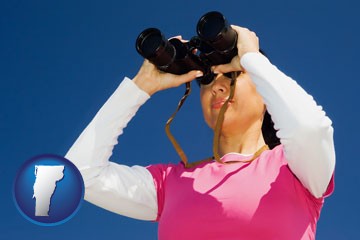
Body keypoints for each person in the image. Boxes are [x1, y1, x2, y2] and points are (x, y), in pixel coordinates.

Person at [65, 25, 335, 239]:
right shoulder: (171, 183)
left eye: (232, 74)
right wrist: (140, 87)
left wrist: (253, 59)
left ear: (266, 93)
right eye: (206, 80)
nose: (216, 87)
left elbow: (311, 129)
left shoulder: (295, 168)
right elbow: (79, 175)